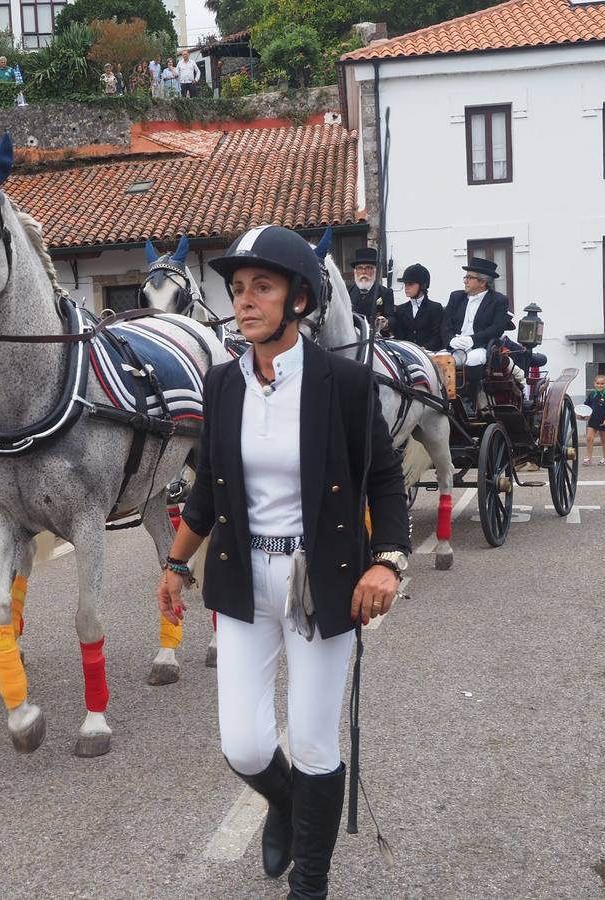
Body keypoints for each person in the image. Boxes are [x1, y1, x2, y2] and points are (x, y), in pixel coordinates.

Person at [156, 225, 410, 897]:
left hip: (322, 584)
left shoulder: (348, 384)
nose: (244, 302)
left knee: (316, 742)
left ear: (300, 298)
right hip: (242, 579)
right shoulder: (222, 386)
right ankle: (287, 802)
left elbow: (384, 481)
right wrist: (177, 565)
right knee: (243, 743)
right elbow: (210, 487)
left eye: (261, 288)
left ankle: (311, 884)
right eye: (238, 289)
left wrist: (387, 562)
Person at [438, 257, 512, 414]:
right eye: (466, 277)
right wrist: (451, 340)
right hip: (456, 345)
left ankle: (469, 400)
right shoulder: (456, 297)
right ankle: (443, 398)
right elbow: (446, 324)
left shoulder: (498, 300)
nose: (465, 281)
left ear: (482, 282)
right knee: (439, 358)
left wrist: (472, 339)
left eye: (469, 277)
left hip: (481, 346)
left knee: (473, 359)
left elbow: (497, 329)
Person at [390, 263, 443, 350]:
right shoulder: (400, 309)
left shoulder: (435, 308)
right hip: (407, 354)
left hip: (429, 354)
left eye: (410, 284)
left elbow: (437, 336)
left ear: (423, 285)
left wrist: (425, 348)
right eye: (405, 284)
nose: (406, 288)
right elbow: (399, 336)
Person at [346, 247, 394, 327]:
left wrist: (385, 322)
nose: (363, 272)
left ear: (375, 271)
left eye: (368, 268)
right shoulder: (348, 292)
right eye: (360, 268)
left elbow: (392, 319)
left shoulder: (385, 292)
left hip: (376, 337)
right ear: (355, 271)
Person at [580, 374, 605, 466]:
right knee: (589, 438)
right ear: (594, 384)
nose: (600, 385)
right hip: (593, 420)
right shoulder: (592, 394)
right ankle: (588, 458)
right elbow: (585, 406)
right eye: (598, 383)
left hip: (603, 420)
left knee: (604, 439)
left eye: (602, 383)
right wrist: (582, 414)